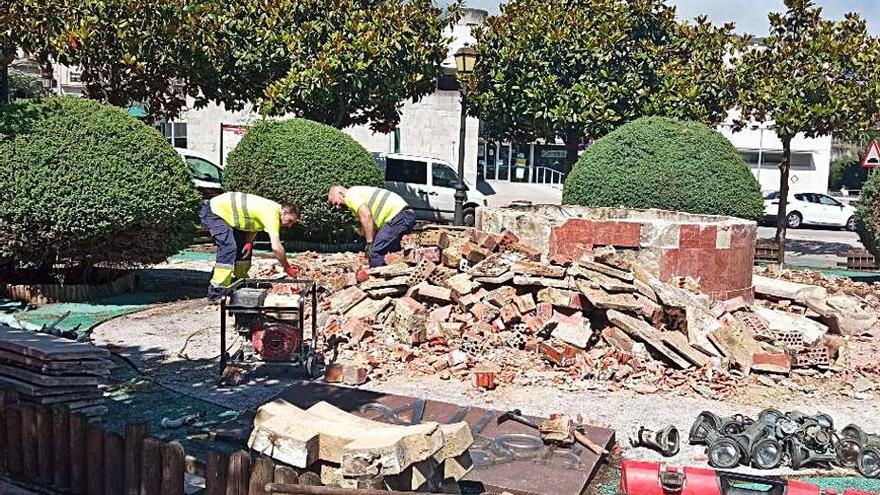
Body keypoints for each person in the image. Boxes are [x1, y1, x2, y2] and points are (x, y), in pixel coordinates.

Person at [200, 192, 301, 301]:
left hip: (227, 215)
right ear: (284, 212)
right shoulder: (271, 214)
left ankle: (241, 282)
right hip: (214, 212)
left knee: (244, 251)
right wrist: (287, 267)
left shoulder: (271, 210)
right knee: (228, 247)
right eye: (290, 221)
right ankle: (216, 292)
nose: (289, 225)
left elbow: (253, 225)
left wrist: (248, 242)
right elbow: (276, 247)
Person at [328, 185, 416, 268]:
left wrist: (369, 243)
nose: (337, 207)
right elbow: (371, 225)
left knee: (375, 252)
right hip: (404, 216)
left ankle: (377, 280)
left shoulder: (350, 195)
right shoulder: (356, 193)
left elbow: (366, 215)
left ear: (340, 193)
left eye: (335, 203)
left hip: (398, 217)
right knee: (393, 252)